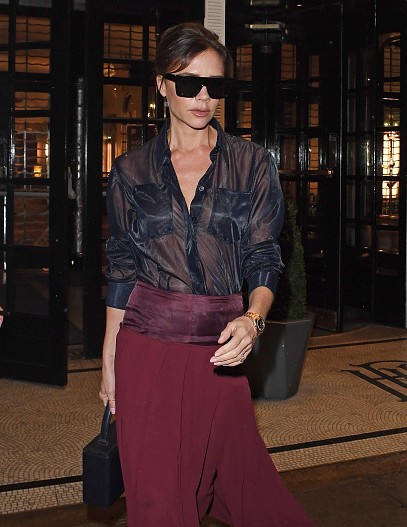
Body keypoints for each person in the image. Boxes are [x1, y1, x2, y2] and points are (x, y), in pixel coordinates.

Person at [100, 21, 317, 527]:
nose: (203, 97)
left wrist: (254, 319)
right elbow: (123, 267)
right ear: (161, 84)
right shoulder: (130, 170)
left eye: (215, 85)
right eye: (189, 83)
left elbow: (264, 255)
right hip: (147, 345)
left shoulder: (251, 164)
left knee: (235, 483)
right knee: (159, 498)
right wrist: (110, 359)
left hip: (220, 349)